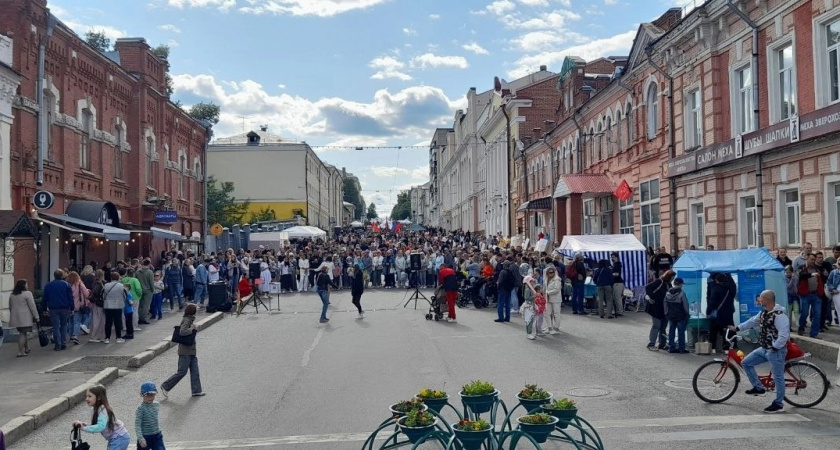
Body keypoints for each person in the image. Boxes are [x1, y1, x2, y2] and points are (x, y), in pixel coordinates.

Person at [729, 290, 790, 414]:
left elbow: (784, 335)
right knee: (746, 362)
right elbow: (752, 321)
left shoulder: (780, 315)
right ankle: (758, 387)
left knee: (778, 378)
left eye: (760, 299)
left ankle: (779, 404)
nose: (759, 300)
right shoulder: (764, 312)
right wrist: (738, 328)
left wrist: (775, 347)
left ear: (767, 300)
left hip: (775, 351)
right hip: (765, 348)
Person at [161, 304, 205, 398]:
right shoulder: (187, 320)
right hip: (185, 351)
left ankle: (196, 391)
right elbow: (182, 332)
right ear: (192, 311)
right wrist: (192, 329)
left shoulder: (189, 319)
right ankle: (165, 386)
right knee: (182, 372)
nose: (197, 311)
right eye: (195, 309)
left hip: (191, 350)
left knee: (195, 371)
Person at [73, 385, 131, 449]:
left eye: (89, 396)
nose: (86, 399)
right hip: (116, 438)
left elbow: (100, 427)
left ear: (99, 397)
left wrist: (84, 428)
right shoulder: (95, 409)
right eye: (86, 396)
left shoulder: (103, 410)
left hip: (119, 438)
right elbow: (96, 425)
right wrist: (83, 425)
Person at [42, 269, 73, 351]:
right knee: (64, 325)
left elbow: (44, 298)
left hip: (53, 308)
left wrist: (44, 309)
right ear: (62, 275)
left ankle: (58, 345)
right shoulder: (67, 285)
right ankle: (63, 343)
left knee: (55, 327)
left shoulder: (48, 285)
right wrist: (72, 308)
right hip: (64, 308)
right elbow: (70, 298)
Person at [645, 270, 675, 351]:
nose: (673, 279)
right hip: (656, 307)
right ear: (669, 277)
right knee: (656, 326)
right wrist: (651, 298)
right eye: (672, 277)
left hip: (664, 308)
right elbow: (647, 287)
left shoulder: (668, 284)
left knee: (663, 327)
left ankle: (662, 344)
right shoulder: (659, 282)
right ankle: (651, 344)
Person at [706, 273, 737, 352]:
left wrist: (708, 312)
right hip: (728, 312)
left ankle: (713, 348)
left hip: (717, 313)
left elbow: (711, 302)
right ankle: (727, 348)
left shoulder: (716, 289)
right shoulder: (731, 288)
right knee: (727, 330)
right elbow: (733, 288)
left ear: (716, 280)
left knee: (713, 330)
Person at [8, 279, 38, 357]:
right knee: (23, 334)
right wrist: (36, 316)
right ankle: (20, 351)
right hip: (25, 317)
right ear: (23, 285)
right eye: (26, 284)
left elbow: (10, 307)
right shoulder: (28, 294)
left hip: (16, 317)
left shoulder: (12, 295)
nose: (27, 285)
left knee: (23, 332)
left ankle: (26, 348)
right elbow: (32, 306)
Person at [797, 253, 823, 338]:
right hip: (805, 295)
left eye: (814, 260)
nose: (813, 261)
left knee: (817, 314)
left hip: (816, 295)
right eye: (811, 259)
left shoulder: (817, 269)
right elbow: (801, 275)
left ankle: (813, 334)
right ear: (807, 259)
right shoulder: (802, 268)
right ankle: (801, 327)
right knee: (804, 313)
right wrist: (811, 274)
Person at [664, 277, 690, 354]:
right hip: (680, 316)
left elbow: (665, 303)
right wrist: (687, 314)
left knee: (671, 331)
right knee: (681, 332)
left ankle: (671, 347)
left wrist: (666, 313)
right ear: (681, 284)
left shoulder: (667, 293)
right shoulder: (682, 293)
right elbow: (686, 305)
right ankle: (681, 349)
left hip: (671, 315)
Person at [135, 382, 164, 449]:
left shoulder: (156, 405)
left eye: (152, 395)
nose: (150, 397)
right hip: (145, 436)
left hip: (157, 435)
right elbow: (137, 424)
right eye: (147, 395)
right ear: (142, 395)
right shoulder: (140, 408)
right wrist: (141, 438)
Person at [67, 271, 91, 345]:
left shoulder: (67, 285)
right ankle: (75, 336)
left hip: (69, 306)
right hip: (78, 305)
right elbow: (86, 294)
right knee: (77, 321)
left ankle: (71, 336)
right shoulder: (80, 284)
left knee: (70, 321)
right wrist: (88, 291)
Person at [103, 271, 127, 344]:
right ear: (118, 277)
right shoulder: (121, 286)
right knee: (118, 322)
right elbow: (124, 296)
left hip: (108, 305)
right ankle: (118, 337)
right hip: (118, 305)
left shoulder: (106, 285)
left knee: (108, 322)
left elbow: (103, 296)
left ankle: (107, 338)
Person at [88, 270, 107, 343]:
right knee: (102, 320)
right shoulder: (102, 283)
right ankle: (100, 336)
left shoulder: (94, 282)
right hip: (101, 303)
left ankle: (94, 336)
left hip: (95, 303)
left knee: (96, 319)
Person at [543, 267, 562, 334]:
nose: (552, 273)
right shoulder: (546, 279)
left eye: (553, 272)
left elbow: (557, 289)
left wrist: (548, 292)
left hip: (556, 299)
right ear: (547, 273)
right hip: (548, 298)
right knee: (547, 313)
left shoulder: (557, 279)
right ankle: (549, 327)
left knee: (556, 314)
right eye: (550, 272)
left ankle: (556, 327)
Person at [136, 259, 155, 324]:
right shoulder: (150, 272)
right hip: (148, 290)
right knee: (146, 305)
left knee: (140, 305)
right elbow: (151, 282)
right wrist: (153, 289)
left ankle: (139, 317)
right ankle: (143, 318)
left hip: (140, 289)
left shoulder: (137, 272)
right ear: (149, 264)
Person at [610, 252, 625, 318]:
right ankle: (617, 311)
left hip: (618, 283)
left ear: (616, 257)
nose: (612, 258)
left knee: (618, 298)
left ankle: (620, 311)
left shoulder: (617, 264)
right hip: (616, 283)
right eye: (611, 257)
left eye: (613, 257)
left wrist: (610, 274)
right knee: (616, 298)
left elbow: (617, 274)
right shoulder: (614, 264)